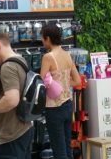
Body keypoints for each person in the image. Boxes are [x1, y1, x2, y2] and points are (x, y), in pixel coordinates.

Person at [0, 33, 33, 158]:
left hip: (11, 135)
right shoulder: (21, 60)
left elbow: (11, 100)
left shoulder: (8, 66)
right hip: (24, 129)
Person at [40, 22, 81, 159]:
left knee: (58, 150)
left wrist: (54, 85)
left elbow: (41, 83)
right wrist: (63, 84)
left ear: (48, 38)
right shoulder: (67, 55)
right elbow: (77, 81)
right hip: (68, 105)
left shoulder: (48, 57)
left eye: (42, 38)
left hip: (54, 107)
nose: (42, 41)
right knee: (67, 146)